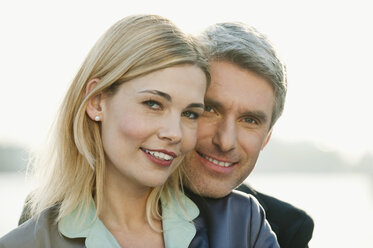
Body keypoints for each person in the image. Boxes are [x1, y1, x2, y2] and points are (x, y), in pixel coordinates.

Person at [3, 15, 280, 248]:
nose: (175, 133)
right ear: (97, 101)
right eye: (153, 104)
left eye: (190, 113)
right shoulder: (27, 242)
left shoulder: (242, 223)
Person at [183, 22, 314, 248]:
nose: (225, 141)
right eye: (210, 109)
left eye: (250, 121)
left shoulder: (288, 229)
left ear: (267, 137)